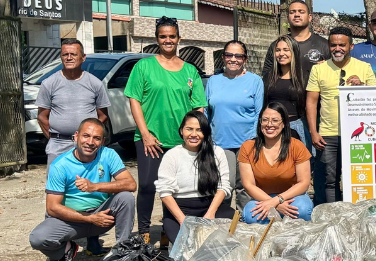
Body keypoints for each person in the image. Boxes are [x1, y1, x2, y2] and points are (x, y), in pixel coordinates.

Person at [125, 17, 207, 247]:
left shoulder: (190, 71)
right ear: (157, 39)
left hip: (181, 141)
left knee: (174, 188)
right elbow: (134, 101)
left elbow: (198, 107)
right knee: (149, 185)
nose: (168, 40)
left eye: (172, 36)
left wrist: (192, 135)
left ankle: (167, 230)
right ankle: (143, 231)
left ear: (179, 39)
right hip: (151, 139)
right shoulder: (144, 67)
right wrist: (145, 133)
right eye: (163, 36)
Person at [29, 118, 136, 261]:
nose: (90, 142)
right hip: (71, 221)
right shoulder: (60, 165)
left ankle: (122, 252)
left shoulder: (108, 154)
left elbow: (131, 184)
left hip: (102, 215)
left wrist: (94, 187)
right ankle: (66, 251)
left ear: (103, 141)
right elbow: (52, 208)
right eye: (86, 136)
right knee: (38, 238)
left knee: (126, 197)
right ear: (76, 136)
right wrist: (90, 218)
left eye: (96, 138)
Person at [306, 26, 376, 204]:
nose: (337, 49)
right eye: (333, 45)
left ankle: (358, 215)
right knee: (329, 180)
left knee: (360, 178)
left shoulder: (364, 67)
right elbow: (311, 102)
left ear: (351, 46)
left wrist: (362, 86)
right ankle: (332, 216)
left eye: (342, 45)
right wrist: (314, 132)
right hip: (328, 134)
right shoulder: (318, 69)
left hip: (358, 135)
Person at [155, 111, 233, 244]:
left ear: (206, 132)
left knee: (228, 235)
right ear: (181, 131)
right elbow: (165, 192)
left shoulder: (217, 152)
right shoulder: (172, 155)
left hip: (210, 205)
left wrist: (210, 214)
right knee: (185, 246)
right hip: (180, 209)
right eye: (189, 129)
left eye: (199, 130)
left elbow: (224, 186)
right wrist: (183, 220)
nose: (194, 134)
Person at [36, 39, 110, 169]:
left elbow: (103, 116)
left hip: (87, 147)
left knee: (88, 186)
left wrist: (89, 138)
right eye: (65, 54)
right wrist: (54, 138)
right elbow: (42, 117)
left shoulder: (95, 84)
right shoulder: (49, 83)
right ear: (61, 57)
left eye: (74, 54)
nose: (69, 58)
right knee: (57, 187)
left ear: (83, 58)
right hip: (58, 146)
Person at [239, 101, 313, 223]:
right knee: (250, 215)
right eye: (265, 120)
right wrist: (273, 204)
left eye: (275, 120)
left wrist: (277, 200)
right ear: (260, 122)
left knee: (303, 209)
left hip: (292, 197)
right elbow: (249, 185)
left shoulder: (296, 146)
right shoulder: (248, 147)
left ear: (283, 123)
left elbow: (304, 183)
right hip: (262, 198)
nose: (269, 124)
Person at [204, 40, 263, 154]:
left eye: (238, 56)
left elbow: (259, 113)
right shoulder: (213, 81)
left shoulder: (255, 81)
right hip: (217, 144)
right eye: (229, 55)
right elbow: (206, 112)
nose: (233, 59)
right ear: (223, 57)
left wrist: (253, 139)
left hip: (246, 145)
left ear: (245, 59)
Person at [262, 34, 309, 145]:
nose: (281, 53)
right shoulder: (268, 76)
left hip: (295, 129)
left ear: (294, 52)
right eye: (278, 50)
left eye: (286, 50)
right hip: (271, 128)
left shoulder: (304, 77)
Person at [287, 0, 330, 80]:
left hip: (315, 92)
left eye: (301, 12)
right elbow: (268, 75)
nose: (297, 15)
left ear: (310, 17)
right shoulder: (279, 46)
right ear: (288, 18)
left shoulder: (324, 44)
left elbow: (333, 74)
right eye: (292, 12)